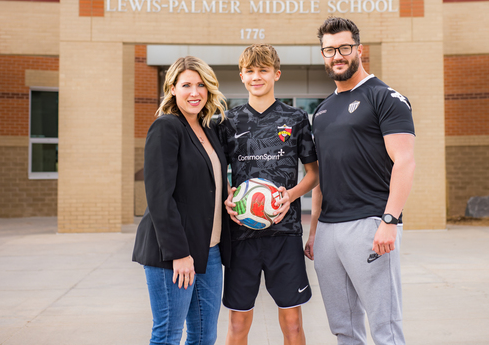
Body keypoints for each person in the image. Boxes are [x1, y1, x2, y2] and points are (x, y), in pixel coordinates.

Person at [304, 17, 416, 345]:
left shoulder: (386, 98)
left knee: (385, 326)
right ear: (323, 54)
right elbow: (323, 176)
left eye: (344, 48)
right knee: (343, 327)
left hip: (370, 224)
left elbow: (405, 161)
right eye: (329, 50)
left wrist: (390, 220)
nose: (337, 55)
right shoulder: (322, 110)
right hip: (328, 231)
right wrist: (314, 232)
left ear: (359, 49)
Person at [218, 44, 319, 345]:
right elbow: (215, 170)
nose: (256, 76)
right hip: (241, 236)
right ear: (241, 76)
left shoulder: (296, 118)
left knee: (292, 324)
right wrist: (227, 195)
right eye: (250, 71)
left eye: (263, 70)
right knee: (238, 323)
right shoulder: (228, 122)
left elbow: (313, 174)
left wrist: (291, 195)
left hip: (284, 234)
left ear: (276, 74)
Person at [132, 56, 231, 345]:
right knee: (168, 335)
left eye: (201, 85)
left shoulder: (209, 131)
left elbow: (210, 186)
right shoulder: (166, 128)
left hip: (209, 250)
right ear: (172, 88)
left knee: (204, 336)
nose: (195, 92)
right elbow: (159, 197)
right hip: (173, 253)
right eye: (186, 84)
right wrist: (179, 254)